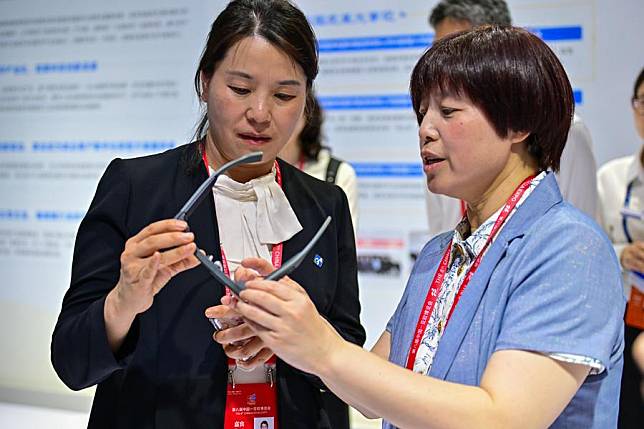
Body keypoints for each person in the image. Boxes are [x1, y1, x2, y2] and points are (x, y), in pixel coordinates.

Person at [220, 26, 625, 428]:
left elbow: (502, 418)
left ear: (519, 124)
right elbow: (370, 392)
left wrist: (324, 349)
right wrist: (289, 330)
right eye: (422, 113)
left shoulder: (568, 247)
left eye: (447, 111)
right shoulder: (441, 252)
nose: (425, 130)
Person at [50, 1, 365, 428]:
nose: (260, 113)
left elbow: (346, 350)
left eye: (285, 95)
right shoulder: (136, 188)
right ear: (204, 82)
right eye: (240, 89)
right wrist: (123, 303)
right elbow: (71, 363)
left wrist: (299, 341)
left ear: (306, 101)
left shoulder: (325, 204)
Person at [425, 0, 599, 238]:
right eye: (437, 48)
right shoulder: (438, 148)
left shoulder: (566, 131)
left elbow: (581, 234)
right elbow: (440, 237)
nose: (442, 61)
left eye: (457, 47)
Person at [597, 67, 644, 428]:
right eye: (643, 102)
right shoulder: (610, 179)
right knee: (625, 410)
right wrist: (621, 253)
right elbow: (588, 250)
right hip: (624, 313)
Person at [279, 94, 359, 229]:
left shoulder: (337, 173)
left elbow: (345, 245)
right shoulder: (248, 168)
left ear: (307, 113)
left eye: (287, 99)